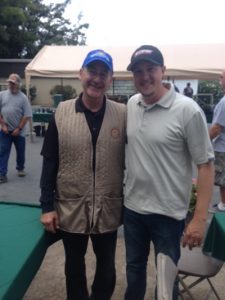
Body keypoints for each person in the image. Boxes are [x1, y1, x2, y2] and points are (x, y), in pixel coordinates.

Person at [123, 45, 214, 300]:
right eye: (138, 71)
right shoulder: (132, 104)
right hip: (133, 211)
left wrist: (198, 219)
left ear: (163, 70)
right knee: (134, 272)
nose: (145, 76)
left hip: (168, 214)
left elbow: (206, 165)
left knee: (165, 283)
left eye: (151, 69)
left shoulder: (187, 110)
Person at [39, 49, 126, 300]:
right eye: (92, 72)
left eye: (103, 74)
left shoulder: (122, 114)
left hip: (108, 207)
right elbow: (49, 162)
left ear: (110, 79)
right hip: (70, 206)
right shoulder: (62, 112)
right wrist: (47, 206)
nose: (97, 79)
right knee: (74, 267)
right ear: (81, 74)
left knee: (107, 267)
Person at [0, 73, 32, 183]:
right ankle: (2, 174)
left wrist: (19, 128)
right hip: (5, 130)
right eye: (10, 83)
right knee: (3, 151)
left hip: (19, 131)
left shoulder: (23, 98)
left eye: (13, 83)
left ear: (18, 84)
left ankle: (20, 168)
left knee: (20, 152)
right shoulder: (2, 95)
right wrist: (3, 124)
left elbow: (27, 115)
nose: (11, 85)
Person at [209, 69, 225, 211]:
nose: (220, 79)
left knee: (222, 179)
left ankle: (223, 205)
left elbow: (217, 128)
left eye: (222, 76)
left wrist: (203, 141)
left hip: (222, 147)